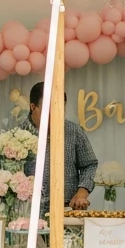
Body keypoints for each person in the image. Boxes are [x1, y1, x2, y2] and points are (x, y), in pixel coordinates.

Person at [21, 81, 98, 211]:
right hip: (29, 213)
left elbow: (89, 165)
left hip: (67, 210)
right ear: (33, 107)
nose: (57, 114)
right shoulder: (17, 136)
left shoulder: (73, 131)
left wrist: (82, 192)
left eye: (61, 109)